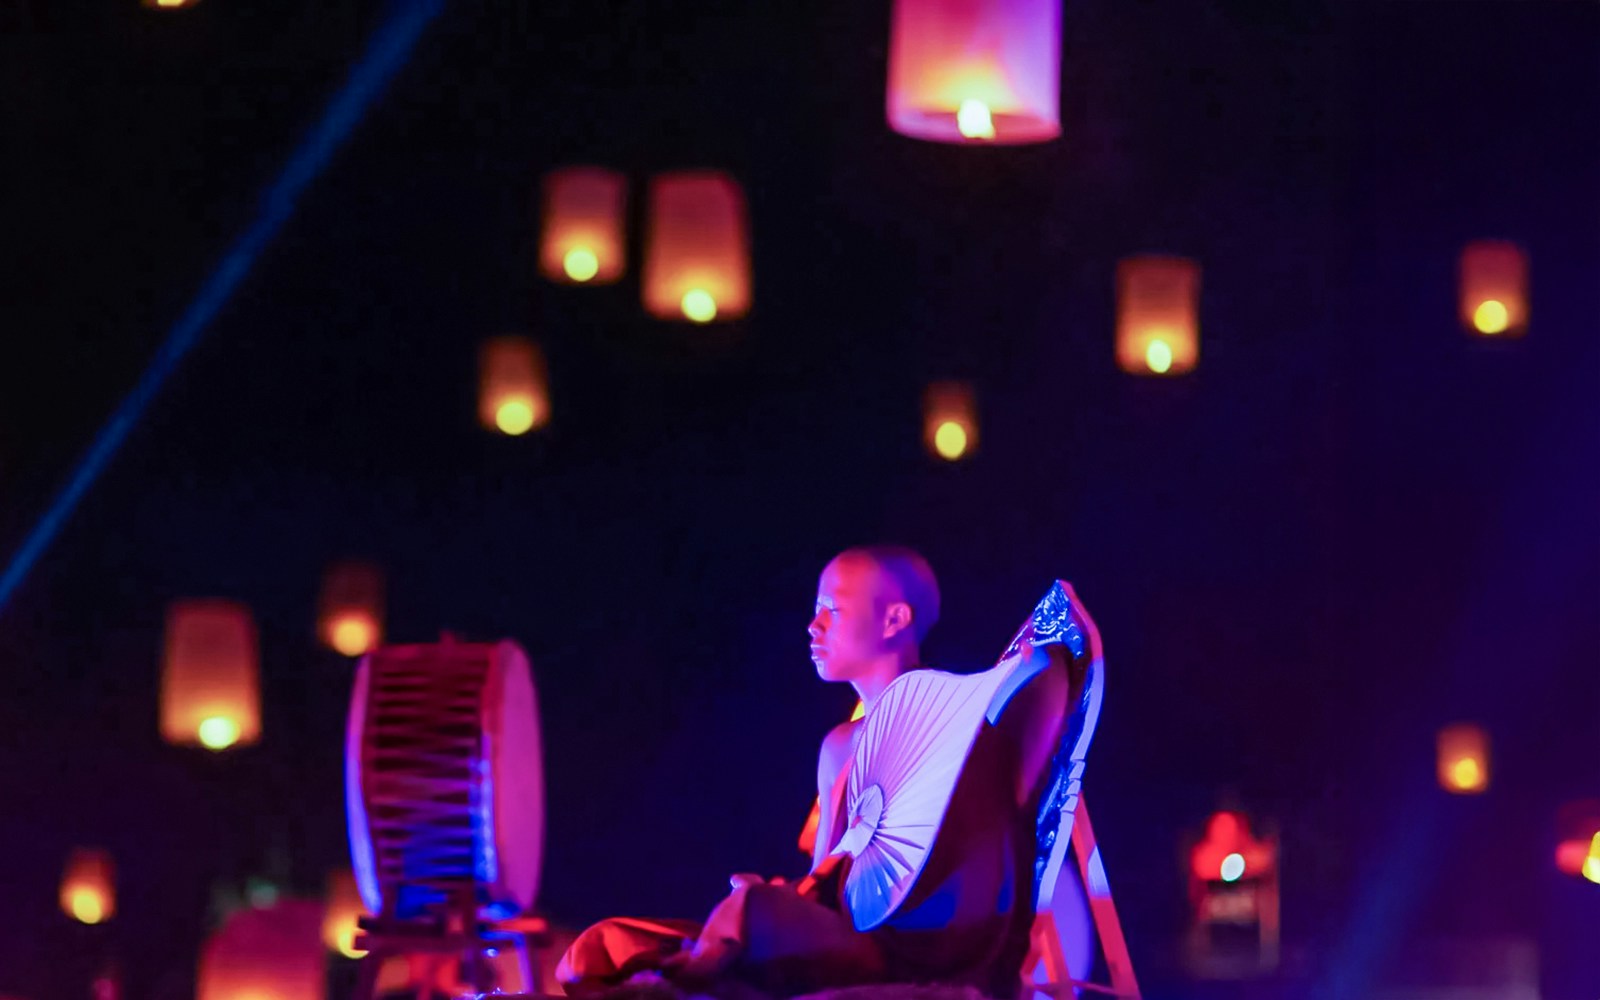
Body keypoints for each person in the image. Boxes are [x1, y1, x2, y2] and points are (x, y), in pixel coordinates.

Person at [557, 546, 1039, 997]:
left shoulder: (954, 727)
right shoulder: (839, 746)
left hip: (909, 952)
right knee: (608, 941)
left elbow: (972, 888)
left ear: (894, 619)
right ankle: (703, 961)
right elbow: (821, 884)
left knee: (755, 913)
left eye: (833, 609)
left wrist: (766, 909)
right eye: (815, 609)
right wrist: (788, 896)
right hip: (833, 939)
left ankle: (695, 969)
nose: (813, 625)